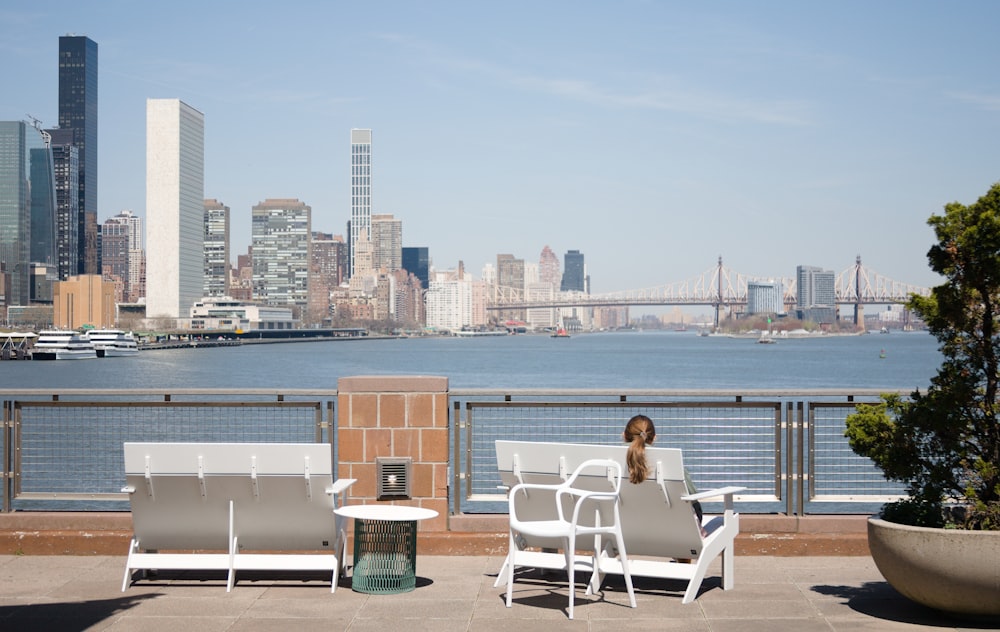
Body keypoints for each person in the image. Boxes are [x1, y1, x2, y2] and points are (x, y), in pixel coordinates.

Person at [623, 414, 705, 533]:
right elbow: (692, 496)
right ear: (654, 438)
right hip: (677, 531)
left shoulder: (609, 462)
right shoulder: (672, 464)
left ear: (624, 435)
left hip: (626, 530)